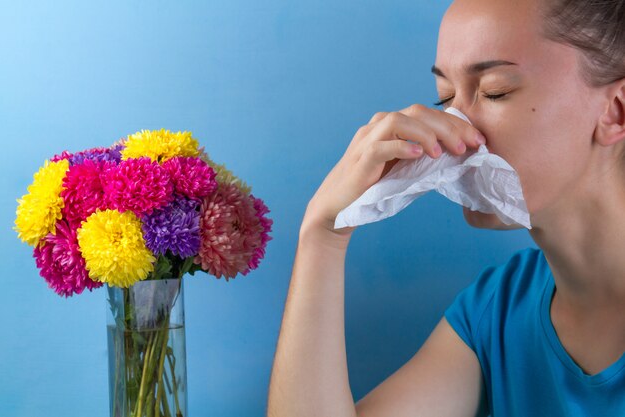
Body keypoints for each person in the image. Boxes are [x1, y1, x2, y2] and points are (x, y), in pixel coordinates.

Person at [267, 0, 625, 415]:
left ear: (615, 112)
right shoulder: (495, 311)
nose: (459, 129)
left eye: (495, 91)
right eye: (446, 99)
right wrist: (323, 233)